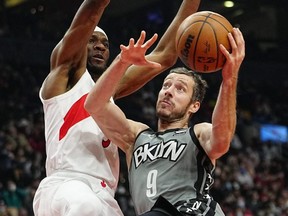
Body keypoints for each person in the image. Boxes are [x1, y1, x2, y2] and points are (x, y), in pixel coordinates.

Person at [32, 0, 202, 215]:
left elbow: (166, 55)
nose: (101, 46)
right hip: (68, 184)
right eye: (92, 40)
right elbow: (90, 15)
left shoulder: (107, 93)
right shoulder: (63, 76)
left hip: (105, 196)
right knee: (86, 207)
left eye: (105, 43)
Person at [84, 26, 245, 216]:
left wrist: (229, 79)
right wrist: (122, 62)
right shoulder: (136, 136)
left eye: (180, 89)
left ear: (194, 106)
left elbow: (222, 140)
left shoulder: (197, 134)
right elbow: (94, 105)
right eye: (166, 85)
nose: (168, 91)